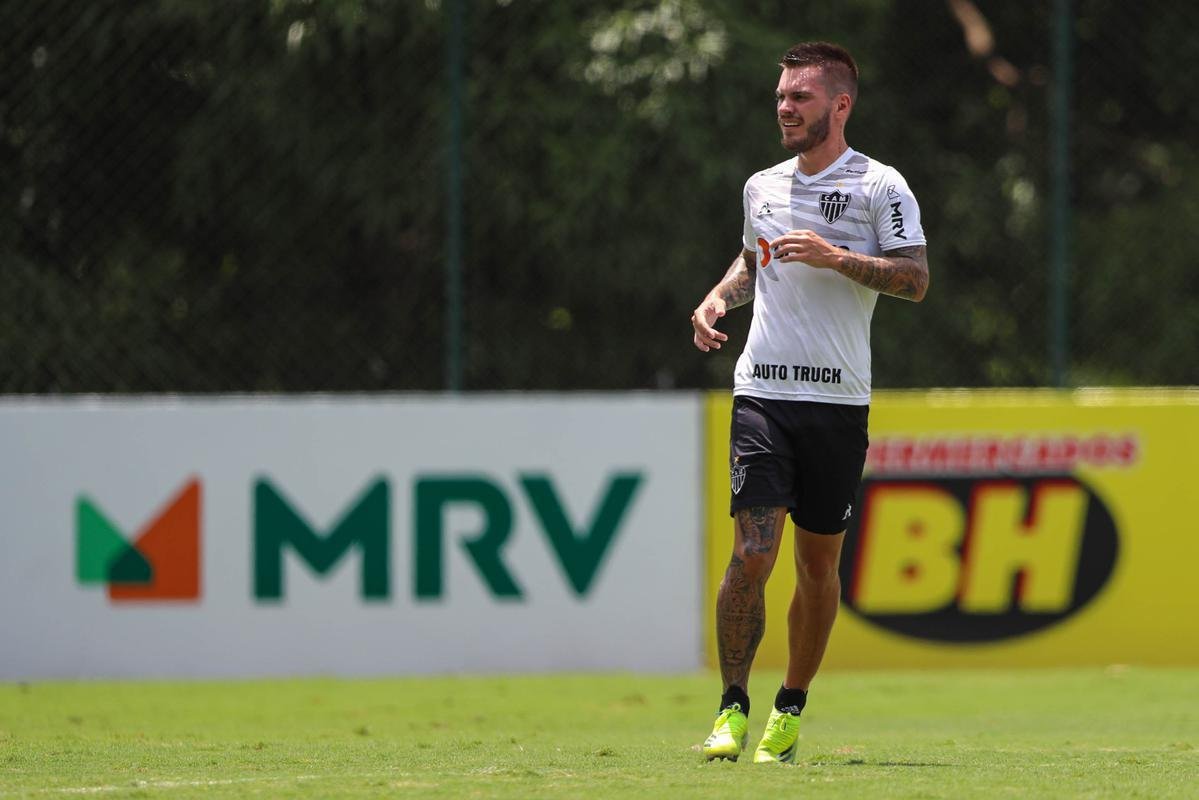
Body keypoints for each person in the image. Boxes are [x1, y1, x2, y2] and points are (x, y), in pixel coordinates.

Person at [691, 41, 929, 764]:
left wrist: (838, 259)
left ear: (840, 104)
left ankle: (787, 708)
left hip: (838, 403)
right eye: (781, 97)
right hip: (763, 392)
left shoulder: (880, 186)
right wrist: (716, 296)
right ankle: (731, 707)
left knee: (817, 567)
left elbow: (915, 280)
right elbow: (752, 257)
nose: (785, 108)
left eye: (799, 97)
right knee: (753, 551)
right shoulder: (760, 185)